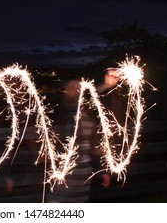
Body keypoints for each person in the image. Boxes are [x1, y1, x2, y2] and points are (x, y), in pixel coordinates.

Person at [46, 70, 118, 202]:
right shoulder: (59, 113)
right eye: (70, 87)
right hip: (63, 182)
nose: (73, 90)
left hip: (83, 182)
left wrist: (102, 171)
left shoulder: (87, 114)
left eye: (76, 88)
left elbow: (95, 147)